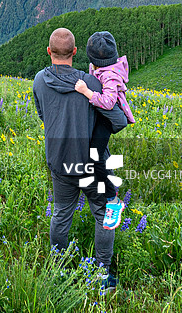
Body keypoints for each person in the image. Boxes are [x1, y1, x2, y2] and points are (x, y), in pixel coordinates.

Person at [32, 28, 127, 294]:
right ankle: (102, 276)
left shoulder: (40, 80)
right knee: (105, 213)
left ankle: (58, 269)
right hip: (91, 163)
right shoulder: (92, 84)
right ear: (75, 52)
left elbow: (43, 115)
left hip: (60, 161)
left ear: (49, 52)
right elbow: (118, 121)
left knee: (62, 213)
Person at [74, 31, 135, 231]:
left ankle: (113, 199)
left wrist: (86, 92)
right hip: (103, 116)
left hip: (108, 119)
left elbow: (108, 103)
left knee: (95, 156)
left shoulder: (109, 75)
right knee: (96, 153)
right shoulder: (103, 68)